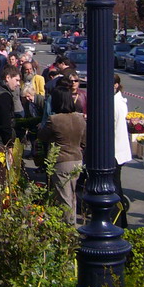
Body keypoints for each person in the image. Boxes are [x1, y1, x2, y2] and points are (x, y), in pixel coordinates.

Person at [39, 87, 86, 225]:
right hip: (77, 159)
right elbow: (84, 141)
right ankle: (70, 223)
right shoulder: (79, 118)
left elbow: (42, 136)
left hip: (61, 160)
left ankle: (68, 227)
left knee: (64, 196)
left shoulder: (54, 119)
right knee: (72, 195)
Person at [113, 74, 133, 227]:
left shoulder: (115, 103)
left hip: (114, 151)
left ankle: (118, 221)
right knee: (116, 186)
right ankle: (120, 220)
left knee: (114, 188)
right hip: (117, 150)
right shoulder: (118, 101)